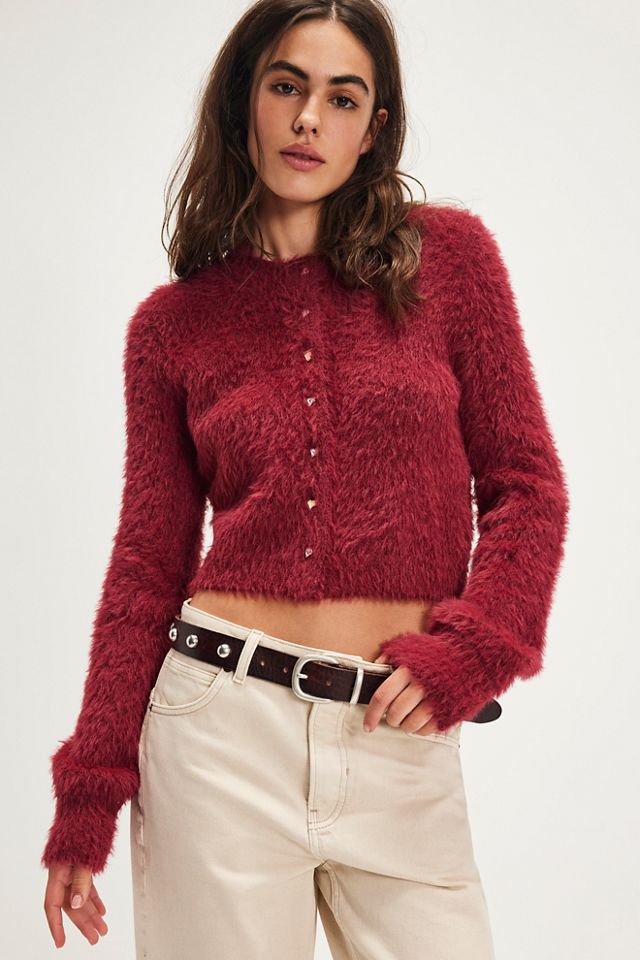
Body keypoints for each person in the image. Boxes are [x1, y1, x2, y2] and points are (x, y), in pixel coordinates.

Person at [41, 1, 569, 956]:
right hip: (219, 737)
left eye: (343, 97)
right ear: (244, 100)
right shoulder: (172, 327)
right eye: (287, 86)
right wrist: (88, 799)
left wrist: (479, 649)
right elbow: (146, 568)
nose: (309, 119)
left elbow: (527, 486)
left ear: (374, 128)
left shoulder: (450, 263)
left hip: (399, 738)